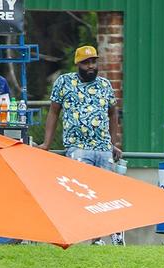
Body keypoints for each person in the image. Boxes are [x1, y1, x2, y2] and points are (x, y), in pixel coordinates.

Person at [40, 45, 124, 246]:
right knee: (81, 192)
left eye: (94, 62)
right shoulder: (64, 82)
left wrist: (114, 143)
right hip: (77, 147)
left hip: (103, 147)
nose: (91, 66)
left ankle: (101, 237)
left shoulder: (105, 84)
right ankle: (77, 233)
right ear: (77, 63)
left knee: (105, 193)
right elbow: (54, 112)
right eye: (86, 62)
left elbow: (113, 114)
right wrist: (46, 144)